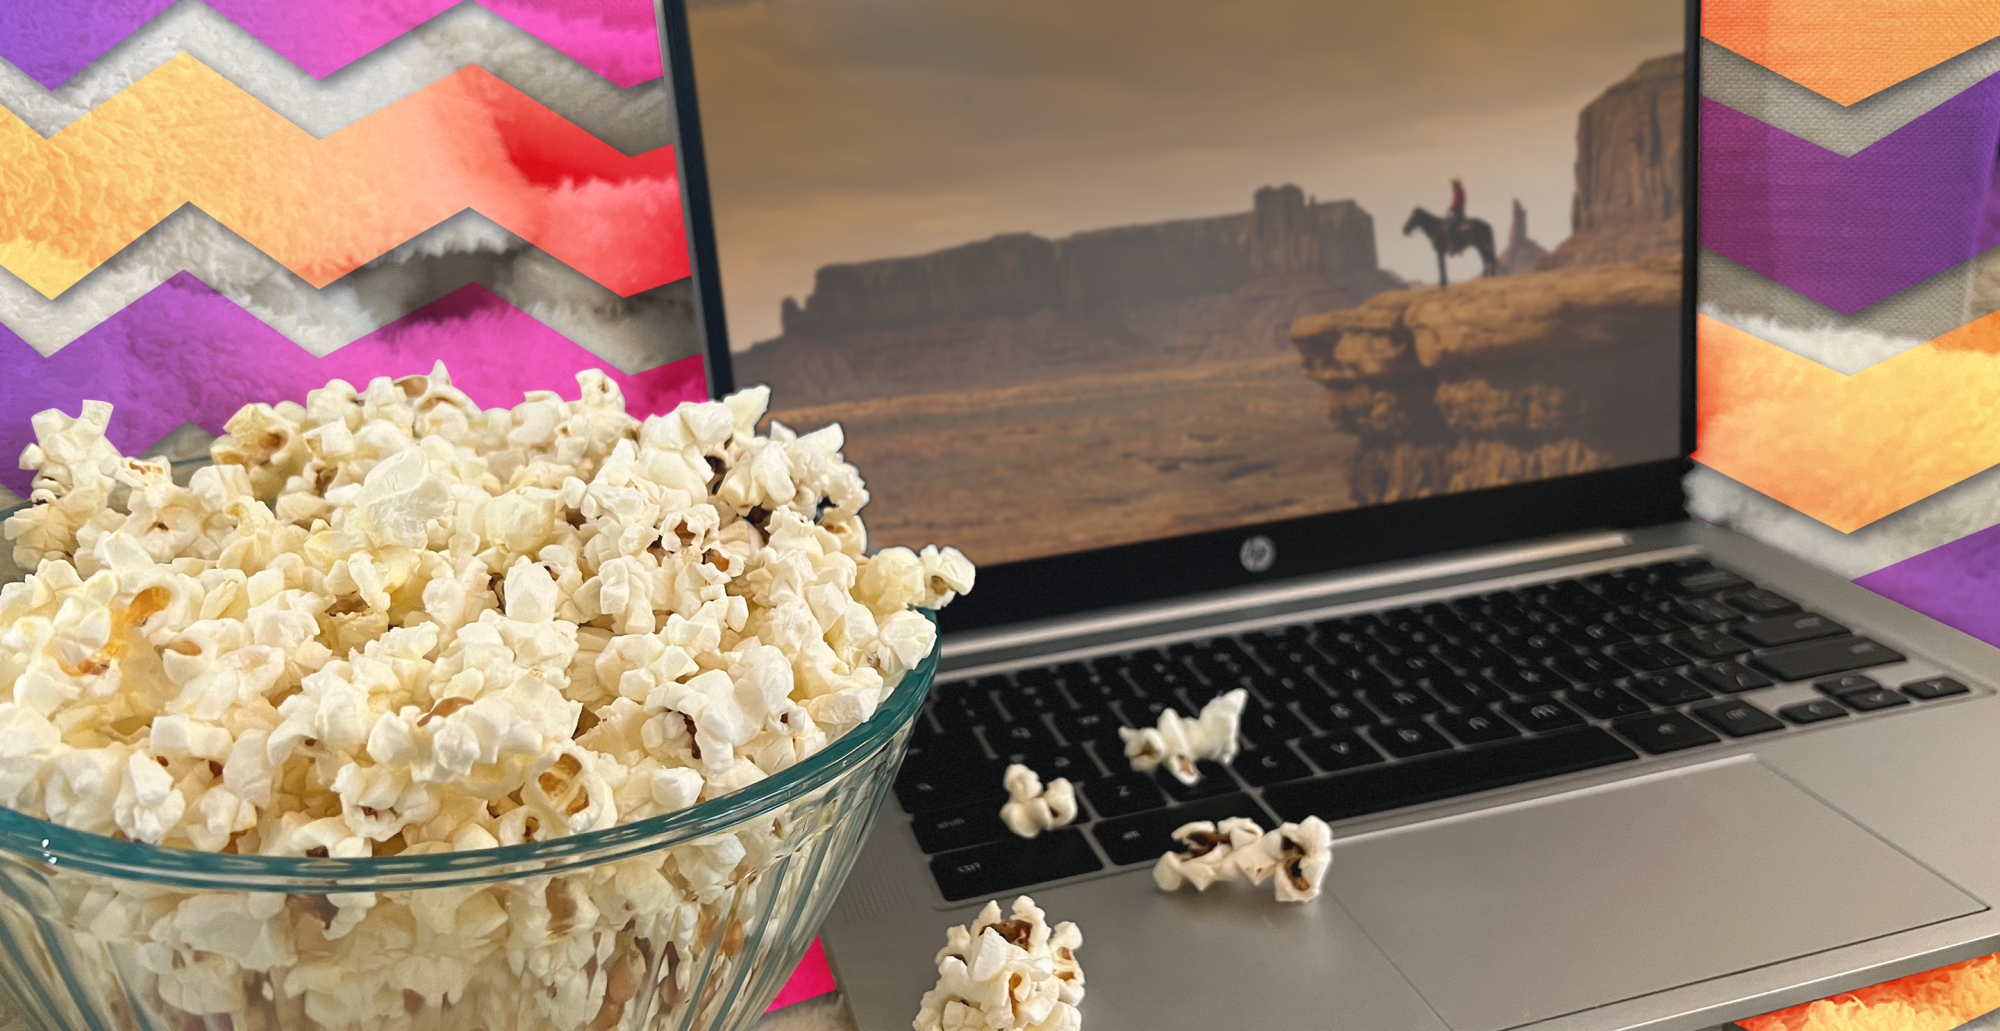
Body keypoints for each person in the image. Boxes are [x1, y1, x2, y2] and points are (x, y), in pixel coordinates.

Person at [1445, 176, 1466, 251]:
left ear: (1456, 184)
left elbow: (1456, 203)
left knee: (1449, 230)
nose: (1452, 185)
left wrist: (1449, 209)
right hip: (1457, 213)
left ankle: (1456, 246)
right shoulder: (1458, 190)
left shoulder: (1458, 191)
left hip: (1458, 214)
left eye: (1453, 183)